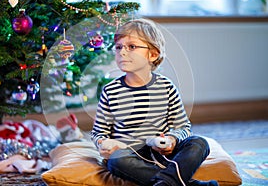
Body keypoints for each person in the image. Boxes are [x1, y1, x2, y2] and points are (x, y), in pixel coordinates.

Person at [91, 18, 218, 186]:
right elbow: (98, 133)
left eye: (132, 47)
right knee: (116, 161)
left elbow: (183, 127)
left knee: (199, 143)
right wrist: (103, 143)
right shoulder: (111, 90)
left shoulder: (166, 87)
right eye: (119, 47)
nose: (122, 52)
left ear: (152, 54)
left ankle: (165, 182)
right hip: (130, 156)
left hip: (163, 154)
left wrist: (172, 140)